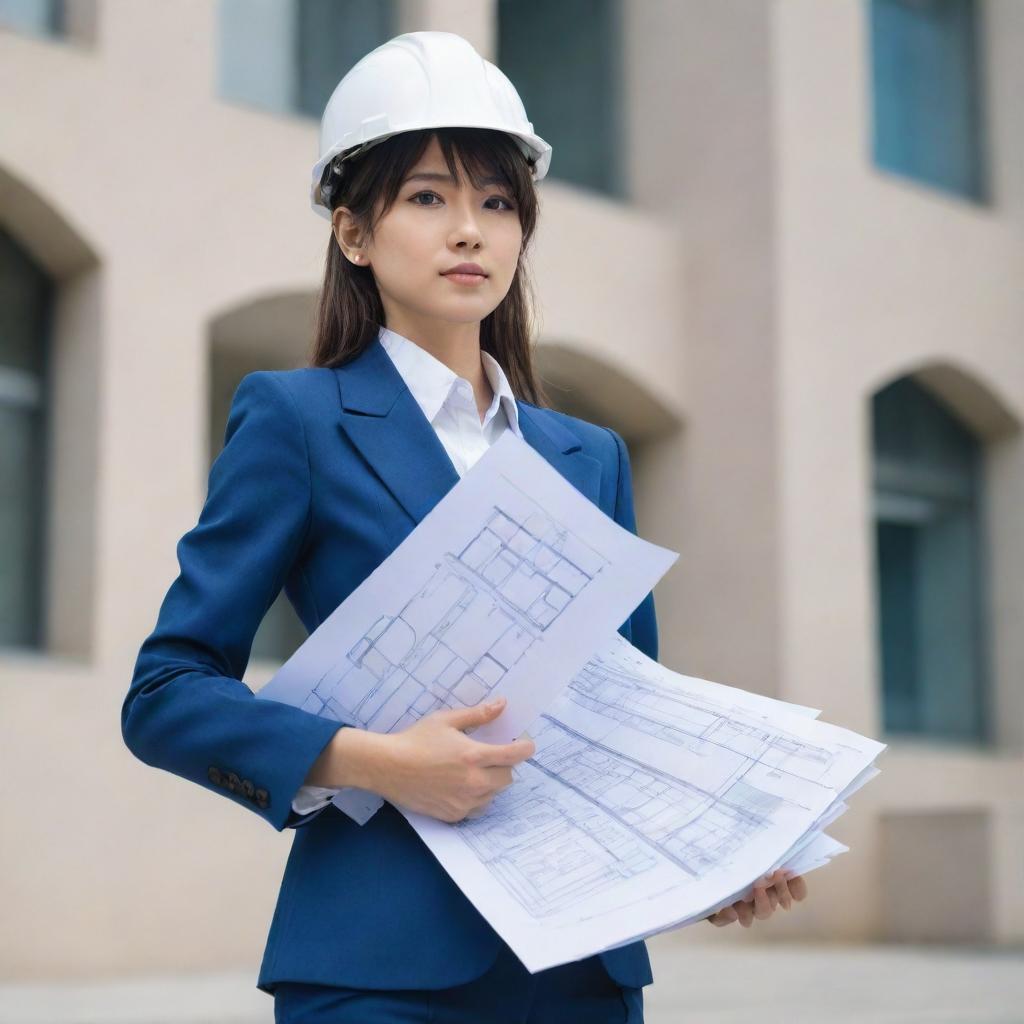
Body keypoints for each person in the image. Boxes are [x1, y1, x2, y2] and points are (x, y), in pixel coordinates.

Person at [121, 30, 805, 1024]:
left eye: (495, 202)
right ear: (354, 233)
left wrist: (721, 853)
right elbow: (166, 694)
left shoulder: (589, 456)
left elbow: (626, 716)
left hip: (580, 968)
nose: (469, 230)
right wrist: (374, 761)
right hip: (379, 964)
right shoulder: (297, 420)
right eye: (428, 197)